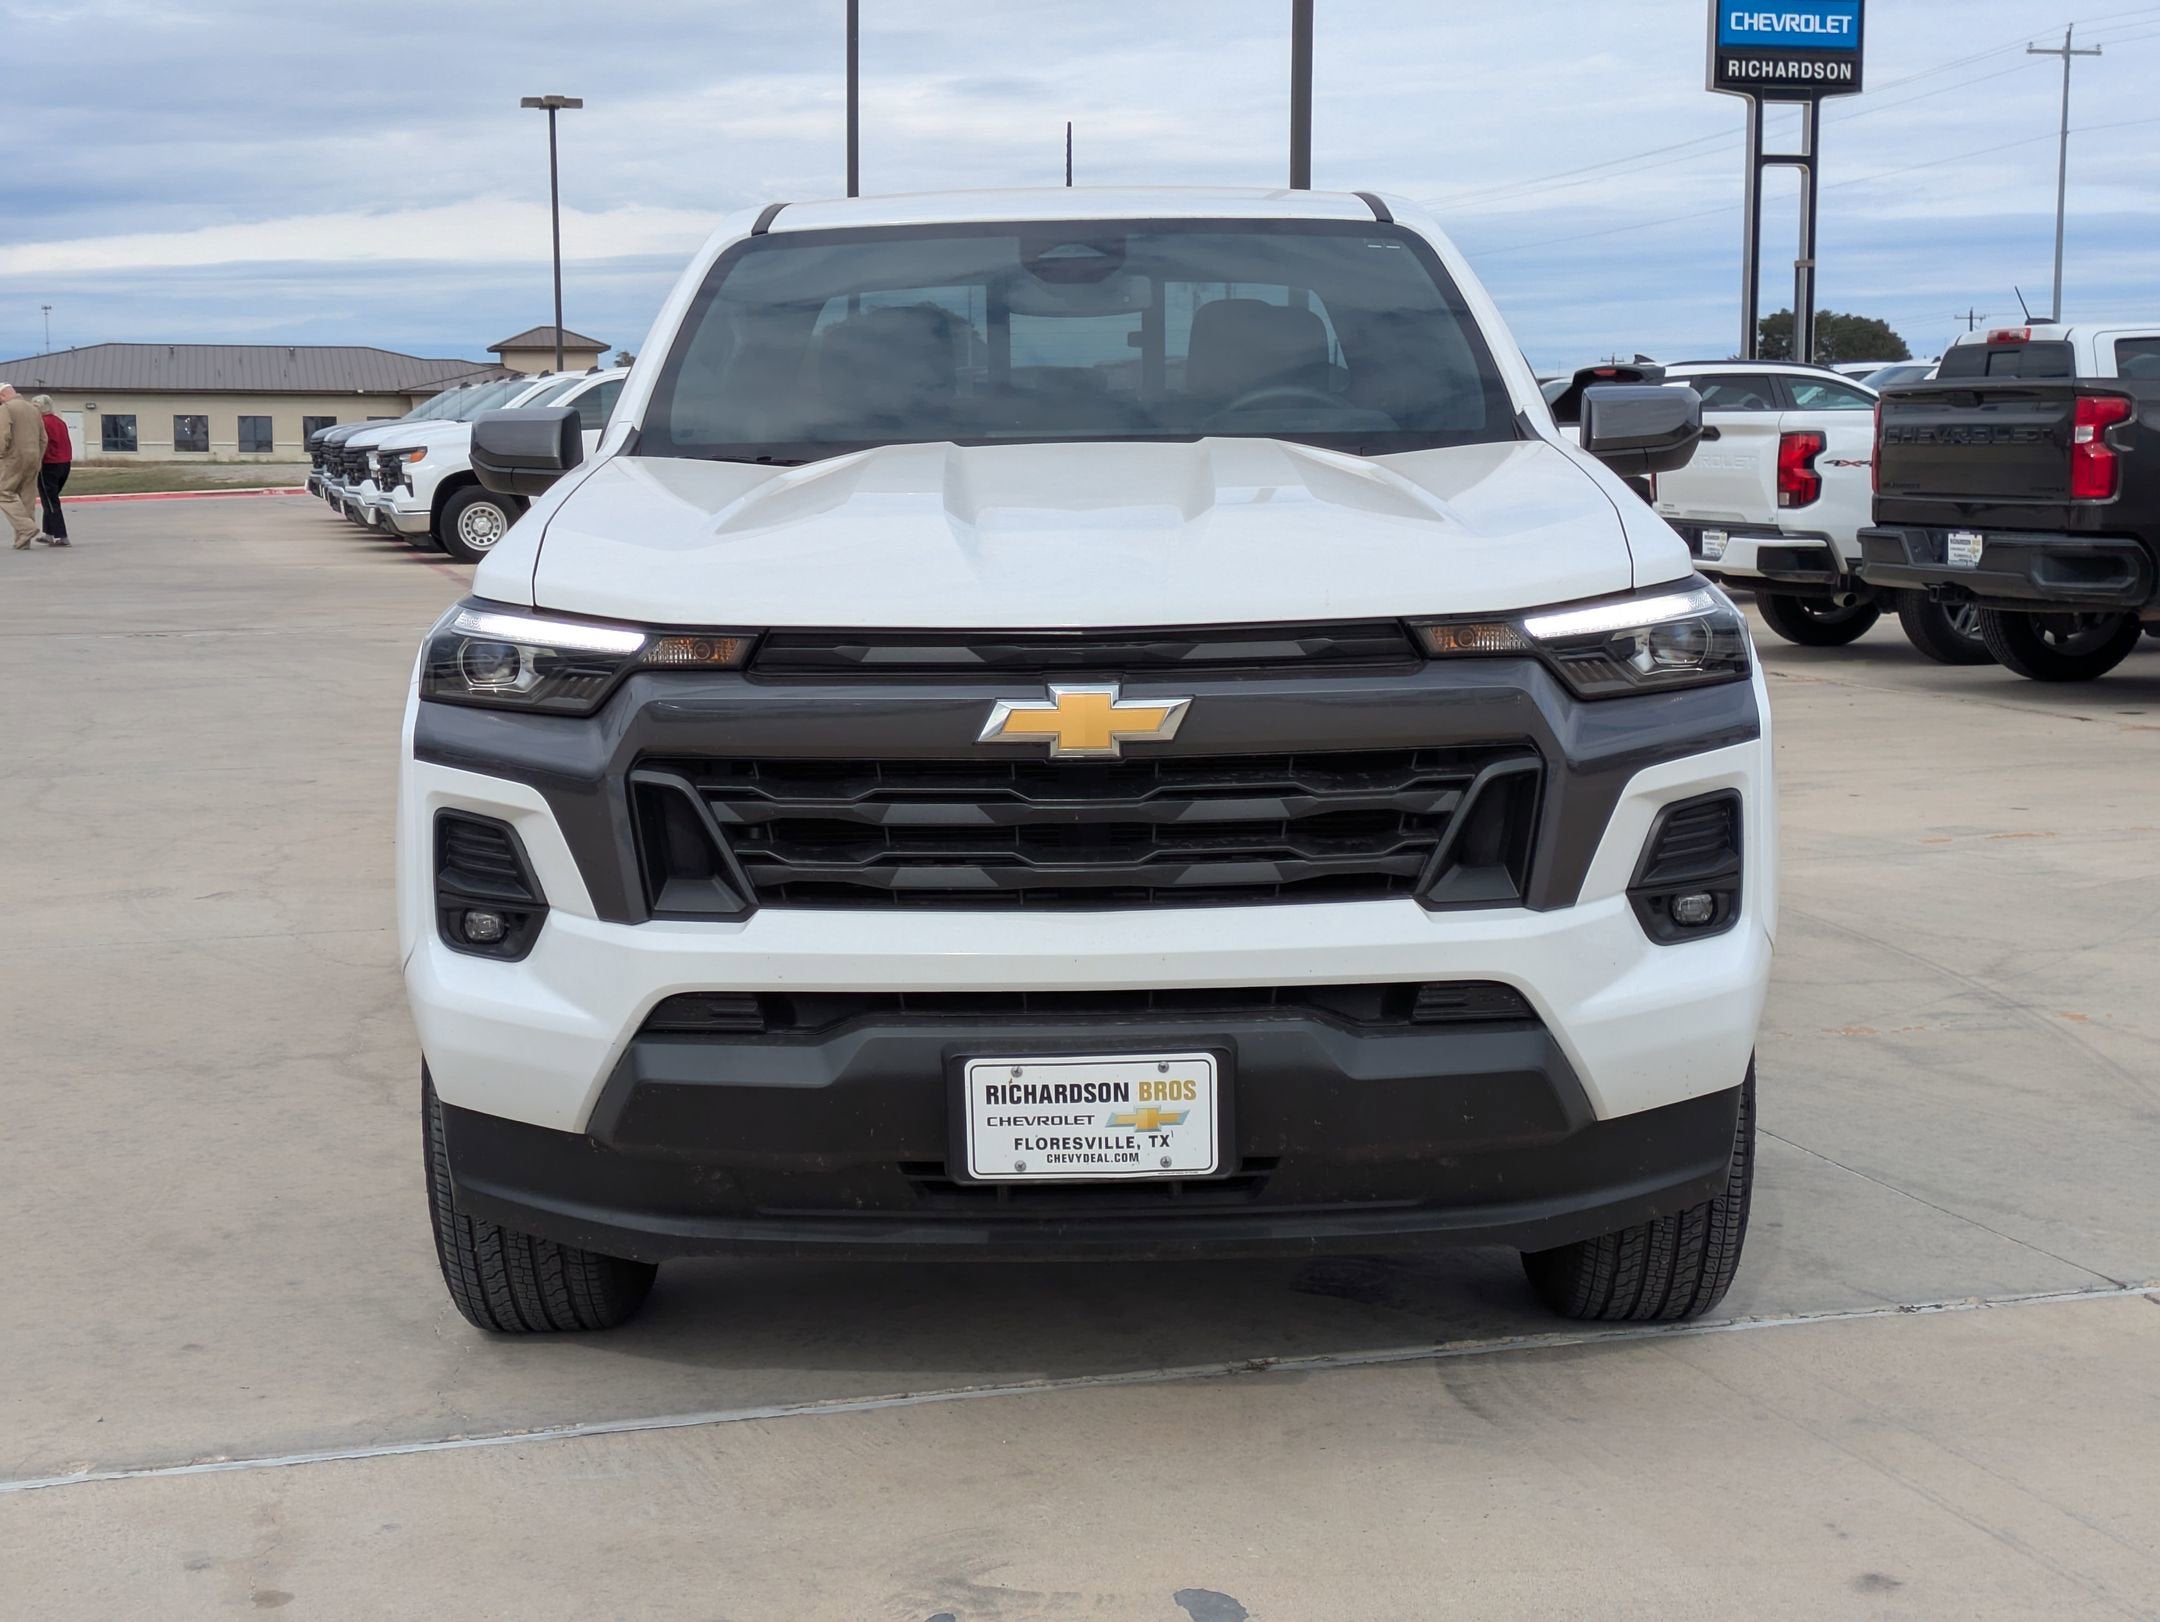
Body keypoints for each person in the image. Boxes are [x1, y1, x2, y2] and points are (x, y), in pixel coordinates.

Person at [0, 383, 46, 551]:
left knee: (4, 493)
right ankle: (23, 541)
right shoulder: (34, 409)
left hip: (13, 458)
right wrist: (38, 457)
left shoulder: (6, 408)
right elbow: (43, 438)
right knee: (27, 498)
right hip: (33, 458)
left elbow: (3, 435)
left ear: (2, 396)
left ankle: (26, 528)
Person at [32, 394, 70, 546]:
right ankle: (48, 533)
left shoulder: (41, 423)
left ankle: (62, 536)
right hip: (65, 463)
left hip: (49, 464)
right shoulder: (60, 422)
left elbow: (40, 443)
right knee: (48, 499)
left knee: (50, 500)